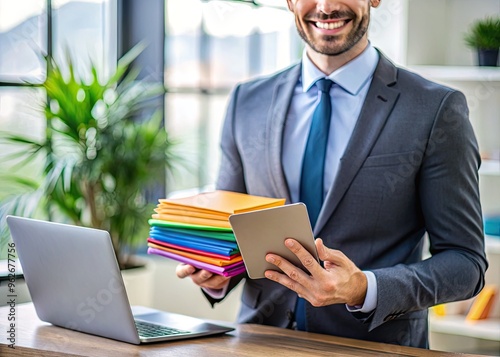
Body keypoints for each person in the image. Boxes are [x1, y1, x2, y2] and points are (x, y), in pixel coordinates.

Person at [176, 0, 488, 348]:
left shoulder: (434, 109)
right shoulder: (247, 101)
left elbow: (466, 263)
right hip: (259, 341)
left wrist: (362, 287)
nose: (325, 7)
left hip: (373, 346)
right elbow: (233, 230)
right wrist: (215, 273)